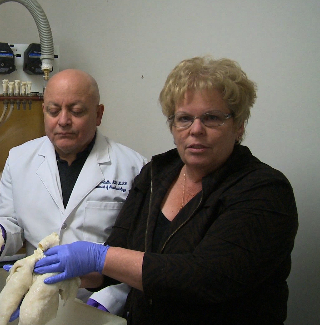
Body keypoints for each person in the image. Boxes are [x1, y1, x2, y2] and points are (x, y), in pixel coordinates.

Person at [33, 56, 299, 324]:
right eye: (184, 118)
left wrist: (97, 256)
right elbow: (114, 264)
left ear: (238, 125)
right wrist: (48, 274)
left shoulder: (264, 191)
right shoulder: (156, 174)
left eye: (212, 118)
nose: (196, 130)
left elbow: (205, 278)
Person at [0, 69, 147, 315]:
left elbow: (140, 252)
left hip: (99, 301)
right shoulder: (20, 158)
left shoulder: (133, 167)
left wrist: (109, 300)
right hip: (37, 299)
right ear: (44, 111)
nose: (63, 121)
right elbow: (10, 220)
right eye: (54, 111)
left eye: (76, 111)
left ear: (98, 114)